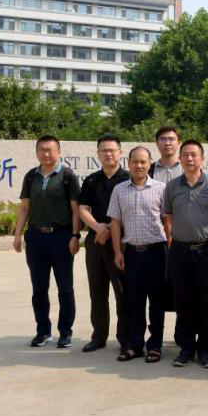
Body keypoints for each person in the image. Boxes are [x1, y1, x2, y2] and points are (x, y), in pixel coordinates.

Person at [162, 140, 208, 368]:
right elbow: (168, 216)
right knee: (182, 301)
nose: (190, 159)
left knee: (207, 301)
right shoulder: (172, 186)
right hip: (179, 251)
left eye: (194, 155)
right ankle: (186, 348)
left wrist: (206, 235)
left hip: (206, 251)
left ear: (203, 159)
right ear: (180, 158)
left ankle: (206, 350)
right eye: (186, 155)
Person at [12, 135, 81, 348]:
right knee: (39, 289)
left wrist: (75, 236)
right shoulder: (31, 176)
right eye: (42, 150)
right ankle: (43, 331)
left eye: (50, 149)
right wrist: (18, 234)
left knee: (65, 288)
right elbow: (24, 207)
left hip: (62, 237)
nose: (46, 153)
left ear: (59, 152)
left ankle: (65, 332)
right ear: (36, 153)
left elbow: (76, 210)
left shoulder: (67, 176)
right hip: (36, 238)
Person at [108, 146, 169, 363]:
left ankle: (155, 345)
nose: (139, 165)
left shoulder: (161, 189)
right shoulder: (119, 190)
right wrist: (117, 252)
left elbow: (167, 221)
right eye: (135, 161)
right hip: (132, 253)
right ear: (128, 163)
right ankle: (135, 345)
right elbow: (115, 223)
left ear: (150, 163)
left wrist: (170, 249)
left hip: (157, 252)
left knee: (157, 302)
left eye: (143, 162)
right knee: (134, 301)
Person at [78, 134, 131, 354]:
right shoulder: (91, 180)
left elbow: (133, 209)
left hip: (121, 243)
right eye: (104, 150)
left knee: (123, 292)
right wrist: (98, 228)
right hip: (95, 243)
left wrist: (109, 229)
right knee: (97, 292)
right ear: (98, 153)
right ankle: (99, 336)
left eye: (112, 150)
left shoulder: (128, 179)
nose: (108, 154)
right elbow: (82, 209)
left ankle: (125, 338)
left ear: (120, 152)